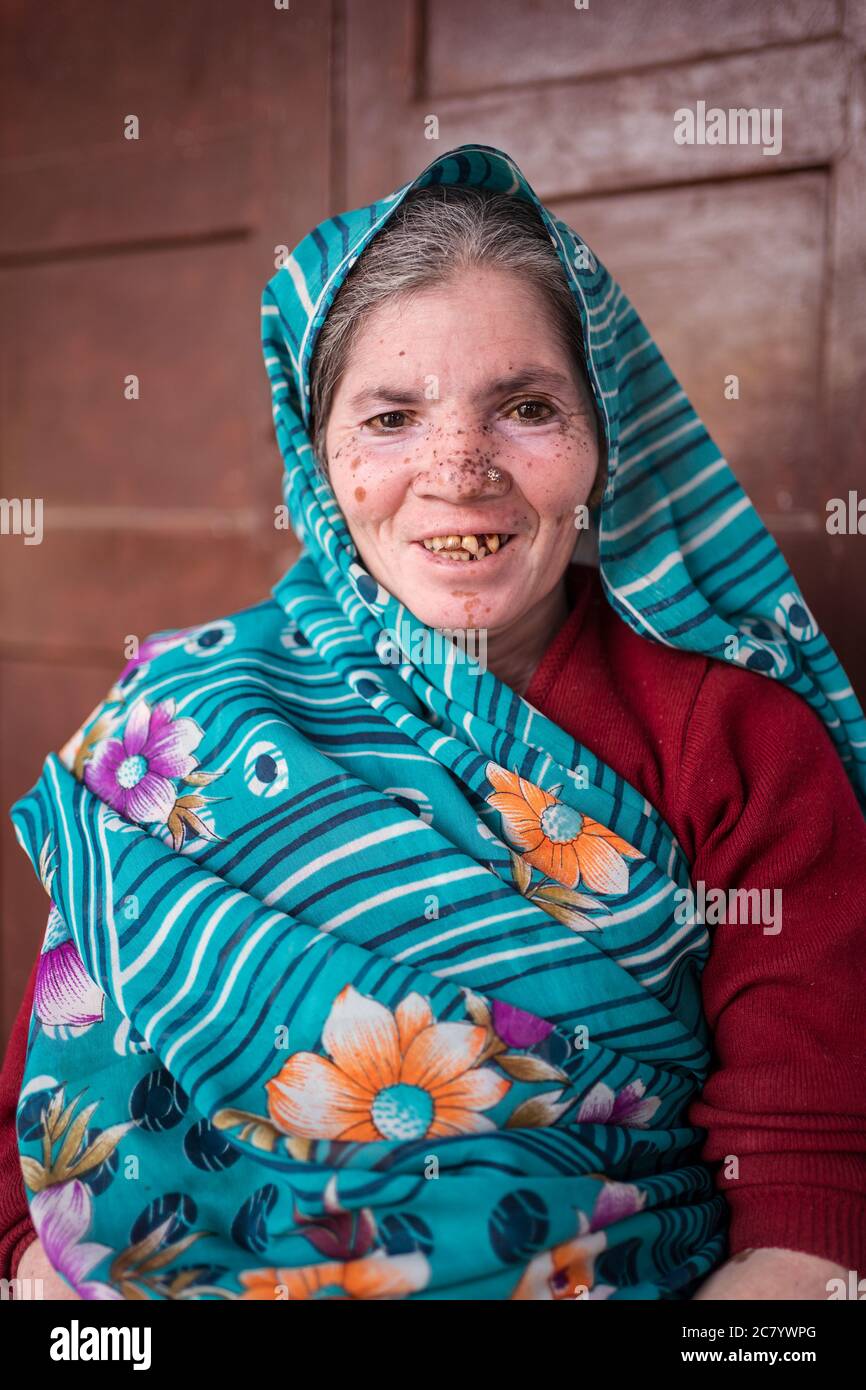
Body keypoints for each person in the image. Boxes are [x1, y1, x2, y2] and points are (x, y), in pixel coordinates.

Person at [2, 143, 865, 1301]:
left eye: (525, 407)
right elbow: (38, 1173)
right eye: (392, 415)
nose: (458, 469)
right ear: (319, 461)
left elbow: (813, 1197)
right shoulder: (176, 723)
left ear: (603, 443)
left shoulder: (737, 744)